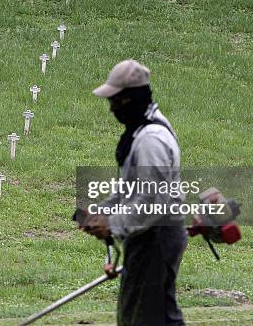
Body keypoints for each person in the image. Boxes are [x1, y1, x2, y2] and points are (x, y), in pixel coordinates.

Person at [79, 60, 187, 326]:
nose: (112, 108)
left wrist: (113, 224)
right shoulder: (141, 130)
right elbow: (131, 190)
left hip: (157, 237)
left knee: (143, 318)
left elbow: (153, 201)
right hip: (149, 236)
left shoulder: (151, 139)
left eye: (115, 100)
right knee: (153, 316)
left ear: (131, 98)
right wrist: (103, 212)